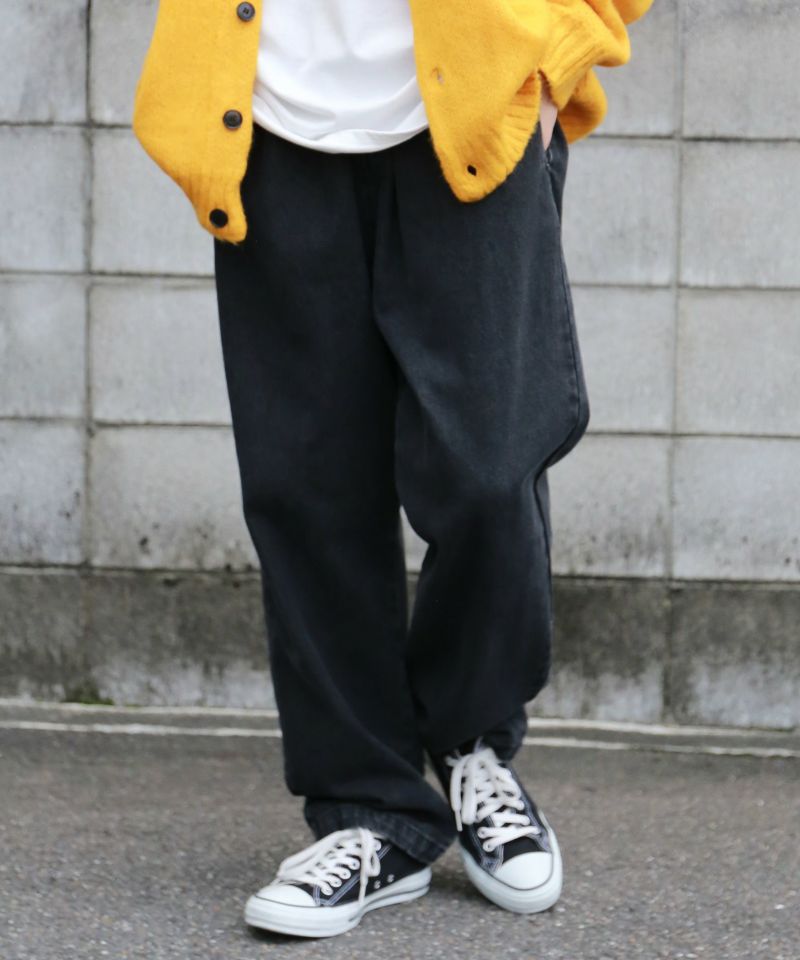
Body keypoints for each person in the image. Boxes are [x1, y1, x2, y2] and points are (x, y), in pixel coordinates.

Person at [132, 0, 652, 938]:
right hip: (272, 120)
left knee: (489, 470)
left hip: (471, 110)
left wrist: (558, 58)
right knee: (306, 489)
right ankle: (369, 812)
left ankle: (473, 744)